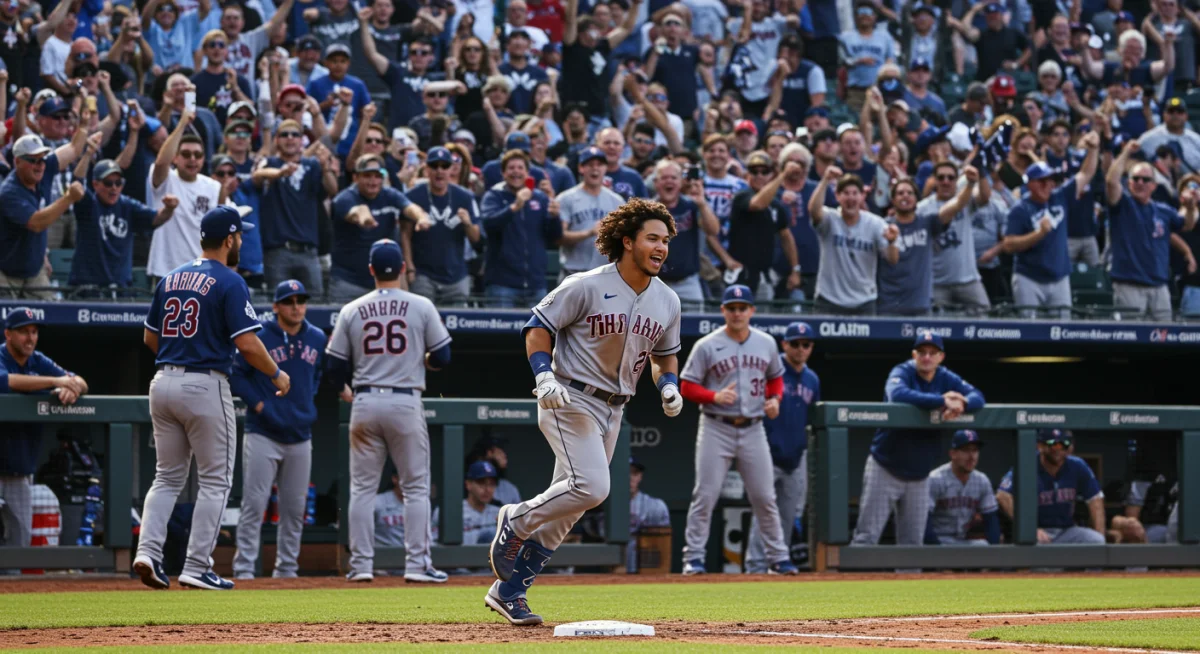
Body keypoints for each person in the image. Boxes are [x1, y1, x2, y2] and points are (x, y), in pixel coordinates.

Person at [486, 198, 682, 626]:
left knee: (570, 506)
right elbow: (538, 326)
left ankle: (510, 592)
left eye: (665, 240)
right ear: (627, 241)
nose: (661, 247)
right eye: (652, 238)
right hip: (568, 396)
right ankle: (514, 520)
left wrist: (669, 385)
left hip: (615, 408)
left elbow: (665, 357)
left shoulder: (668, 301)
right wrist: (543, 376)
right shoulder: (587, 284)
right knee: (592, 488)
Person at [134, 206, 292, 591]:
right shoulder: (229, 280)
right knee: (216, 481)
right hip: (204, 384)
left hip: (162, 382)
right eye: (239, 236)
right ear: (228, 239)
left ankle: (147, 552)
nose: (241, 242)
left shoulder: (170, 277)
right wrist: (275, 372)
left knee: (167, 477)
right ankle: (196, 564)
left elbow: (150, 339)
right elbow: (248, 344)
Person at [324, 239, 451, 584]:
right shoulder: (421, 305)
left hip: (365, 401)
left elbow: (332, 366)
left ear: (371, 271)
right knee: (415, 488)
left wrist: (344, 390)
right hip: (404, 400)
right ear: (401, 270)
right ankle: (417, 564)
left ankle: (361, 566)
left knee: (362, 489)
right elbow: (443, 356)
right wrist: (423, 360)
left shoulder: (352, 309)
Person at [677, 285, 798, 577]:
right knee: (705, 496)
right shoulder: (707, 345)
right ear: (723, 311)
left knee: (765, 497)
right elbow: (686, 386)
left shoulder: (766, 342)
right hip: (716, 425)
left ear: (752, 311)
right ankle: (693, 559)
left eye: (743, 308)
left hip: (754, 428)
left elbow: (775, 379)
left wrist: (775, 400)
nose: (737, 313)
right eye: (732, 308)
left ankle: (778, 558)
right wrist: (713, 397)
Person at [230, 280, 326, 580]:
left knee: (294, 509)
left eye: (301, 300)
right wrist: (259, 406)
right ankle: (244, 569)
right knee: (254, 504)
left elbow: (317, 376)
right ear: (276, 306)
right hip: (263, 433)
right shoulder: (260, 334)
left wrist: (303, 407)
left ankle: (286, 571)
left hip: (300, 435)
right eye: (289, 301)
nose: (296, 306)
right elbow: (236, 376)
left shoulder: (318, 337)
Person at [851, 332, 984, 546]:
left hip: (919, 475)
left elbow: (978, 396)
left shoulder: (945, 376)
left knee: (913, 544)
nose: (927, 357)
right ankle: (855, 579)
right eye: (922, 352)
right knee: (866, 538)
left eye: (932, 353)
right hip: (885, 466)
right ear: (914, 354)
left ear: (941, 356)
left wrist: (963, 404)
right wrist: (942, 401)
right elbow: (897, 394)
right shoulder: (903, 371)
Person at [0, 309, 88, 550]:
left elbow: (80, 381)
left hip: (18, 470)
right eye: (23, 332)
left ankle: (13, 587)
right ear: (7, 334)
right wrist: (55, 381)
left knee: (20, 543)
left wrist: (72, 388)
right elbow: (8, 381)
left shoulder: (38, 361)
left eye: (34, 332)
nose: (30, 338)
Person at [745, 321, 820, 574]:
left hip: (795, 458)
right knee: (764, 512)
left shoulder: (812, 379)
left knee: (787, 517)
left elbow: (810, 419)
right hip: (766, 453)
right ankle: (755, 568)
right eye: (795, 344)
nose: (800, 349)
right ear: (784, 344)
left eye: (806, 344)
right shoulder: (770, 369)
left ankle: (778, 564)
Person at [1004, 133, 1102, 317]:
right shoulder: (1020, 209)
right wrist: (1038, 234)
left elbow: (1086, 173)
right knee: (1029, 332)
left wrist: (1094, 149)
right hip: (1029, 278)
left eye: (1051, 180)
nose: (1048, 184)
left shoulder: (1059, 196)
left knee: (1062, 332)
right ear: (1031, 184)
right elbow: (1008, 245)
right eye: (1042, 180)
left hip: (1059, 278)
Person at [1105, 139, 1199, 320]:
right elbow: (1111, 181)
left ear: (1154, 186)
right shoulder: (1123, 205)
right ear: (1129, 182)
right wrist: (1126, 153)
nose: (1140, 182)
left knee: (1164, 340)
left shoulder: (1163, 210)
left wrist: (1190, 207)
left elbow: (1187, 225)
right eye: (1135, 179)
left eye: (1146, 179)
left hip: (1159, 286)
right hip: (1129, 284)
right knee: (1130, 340)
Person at [254, 121, 340, 295]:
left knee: (315, 306)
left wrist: (325, 166)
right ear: (276, 140)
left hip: (308, 252)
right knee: (278, 306)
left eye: (295, 134)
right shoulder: (270, 162)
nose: (290, 138)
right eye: (284, 135)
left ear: (302, 141)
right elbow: (257, 176)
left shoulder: (313, 166)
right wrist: (279, 174)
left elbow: (333, 190)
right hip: (277, 251)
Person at [0, 133, 88, 299]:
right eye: (33, 160)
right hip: (5, 272)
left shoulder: (43, 171)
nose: (39, 165)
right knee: (6, 320)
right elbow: (37, 223)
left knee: (49, 317)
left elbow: (73, 149)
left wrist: (83, 125)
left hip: (33, 269)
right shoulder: (9, 192)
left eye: (42, 159)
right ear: (17, 161)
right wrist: (68, 198)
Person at [330, 155, 431, 299]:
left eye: (378, 176)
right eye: (367, 175)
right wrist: (363, 217)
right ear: (356, 177)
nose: (373, 181)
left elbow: (409, 207)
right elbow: (356, 211)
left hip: (383, 283)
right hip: (348, 282)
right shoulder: (345, 198)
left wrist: (421, 218)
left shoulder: (389, 194)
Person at [70, 160, 178, 292]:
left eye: (118, 183)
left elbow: (157, 218)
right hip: (87, 288)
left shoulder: (127, 205)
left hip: (121, 289)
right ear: (95, 184)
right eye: (108, 183)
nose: (114, 188)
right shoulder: (88, 205)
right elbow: (76, 185)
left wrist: (169, 208)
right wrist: (87, 154)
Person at [807, 168, 900, 315]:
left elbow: (892, 259)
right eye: (845, 193)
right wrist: (825, 180)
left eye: (855, 193)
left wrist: (892, 242)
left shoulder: (875, 223)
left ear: (862, 196)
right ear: (837, 196)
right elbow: (814, 210)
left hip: (864, 301)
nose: (850, 198)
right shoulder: (830, 218)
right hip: (829, 299)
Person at [146, 111, 224, 282]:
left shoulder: (214, 187)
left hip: (203, 273)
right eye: (186, 154)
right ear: (175, 158)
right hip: (166, 271)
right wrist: (182, 124)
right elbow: (161, 162)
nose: (192, 159)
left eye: (198, 155)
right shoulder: (166, 179)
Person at [480, 149, 562, 307]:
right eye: (511, 168)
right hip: (502, 284)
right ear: (503, 173)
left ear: (527, 173)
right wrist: (515, 206)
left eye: (520, 168)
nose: (516, 171)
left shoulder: (540, 198)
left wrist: (554, 217)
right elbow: (489, 225)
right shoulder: (494, 196)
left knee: (537, 332)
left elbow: (554, 237)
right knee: (499, 331)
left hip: (535, 284)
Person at [996, 429, 1107, 545]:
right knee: (1034, 542)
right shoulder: (1027, 463)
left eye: (1063, 444)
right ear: (1040, 446)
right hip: (1038, 530)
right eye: (1052, 444)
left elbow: (1096, 499)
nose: (1058, 449)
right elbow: (1002, 495)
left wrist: (1101, 537)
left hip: (1067, 530)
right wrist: (1027, 529)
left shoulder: (1077, 465)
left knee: (1096, 540)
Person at [404, 147, 480, 304]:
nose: (439, 171)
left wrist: (467, 224)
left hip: (456, 276)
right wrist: (410, 268)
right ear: (426, 169)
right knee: (422, 325)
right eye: (434, 166)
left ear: (451, 168)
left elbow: (477, 238)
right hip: (423, 274)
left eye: (444, 166)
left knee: (459, 326)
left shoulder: (465, 197)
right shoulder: (413, 196)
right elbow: (405, 234)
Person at [922, 162, 992, 313]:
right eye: (941, 177)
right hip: (937, 282)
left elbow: (985, 198)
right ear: (934, 180)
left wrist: (982, 172)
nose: (946, 181)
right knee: (937, 329)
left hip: (968, 279)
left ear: (956, 180)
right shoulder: (923, 207)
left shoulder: (965, 199)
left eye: (950, 177)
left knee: (986, 322)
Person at [556, 146, 624, 277]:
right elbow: (559, 238)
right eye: (590, 164)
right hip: (573, 273)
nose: (595, 168)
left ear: (605, 168)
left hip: (605, 275)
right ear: (581, 168)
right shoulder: (566, 198)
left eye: (600, 164)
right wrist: (589, 233)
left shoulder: (617, 201)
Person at [924, 430, 1000, 546]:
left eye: (975, 450)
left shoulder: (982, 480)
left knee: (983, 545)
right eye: (966, 450)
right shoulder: (935, 479)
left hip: (964, 541)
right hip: (940, 540)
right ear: (952, 454)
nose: (972, 456)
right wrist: (938, 553)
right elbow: (924, 521)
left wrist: (993, 552)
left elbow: (991, 520)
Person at [879, 178, 940, 316]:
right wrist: (892, 242)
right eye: (900, 193)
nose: (905, 195)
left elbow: (954, 208)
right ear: (893, 200)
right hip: (889, 304)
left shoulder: (927, 223)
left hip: (920, 304)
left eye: (910, 193)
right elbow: (891, 259)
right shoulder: (882, 226)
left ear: (917, 200)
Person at [627, 457, 670, 573]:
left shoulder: (656, 506)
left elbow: (662, 546)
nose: (629, 477)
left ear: (640, 476)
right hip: (612, 569)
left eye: (634, 473)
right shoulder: (599, 506)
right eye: (625, 472)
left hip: (645, 568)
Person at [463, 460, 501, 545]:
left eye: (491, 484)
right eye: (481, 483)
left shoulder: (501, 514)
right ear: (468, 484)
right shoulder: (452, 513)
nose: (487, 489)